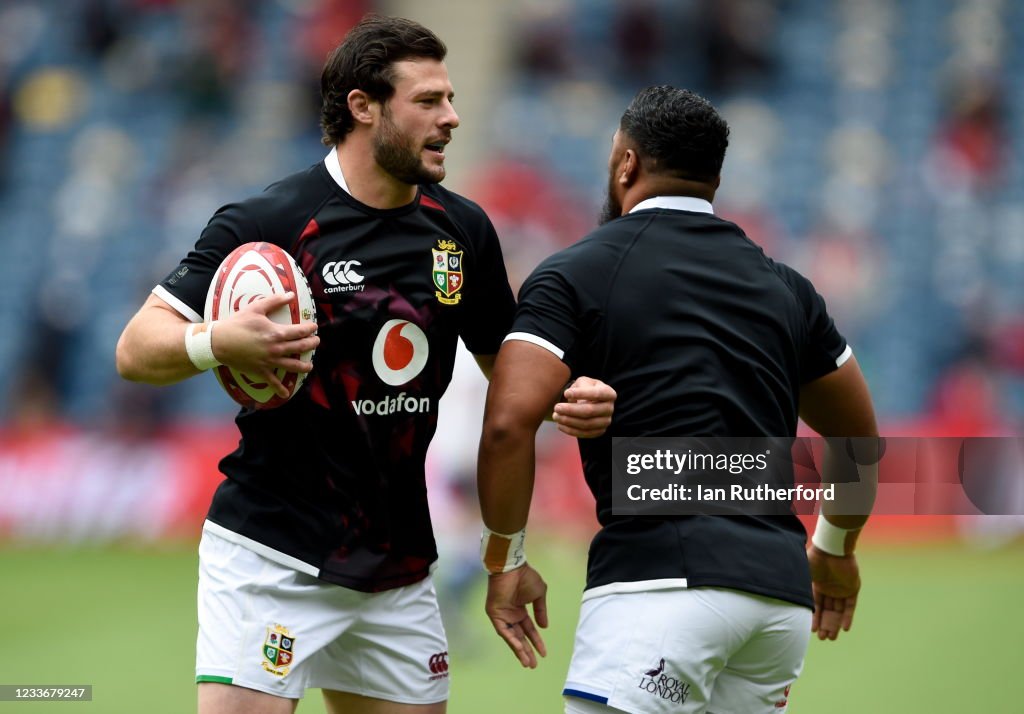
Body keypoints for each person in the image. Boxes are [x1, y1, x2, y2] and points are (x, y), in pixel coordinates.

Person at [115, 15, 615, 714]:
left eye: (451, 99)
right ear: (363, 107)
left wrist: (574, 391)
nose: (453, 117)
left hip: (398, 569)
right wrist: (217, 341)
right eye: (429, 101)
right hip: (271, 558)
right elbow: (136, 347)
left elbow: (511, 372)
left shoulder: (462, 231)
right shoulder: (273, 220)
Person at [475, 86, 879, 714]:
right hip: (777, 604)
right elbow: (859, 441)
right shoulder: (786, 288)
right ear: (713, 178)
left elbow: (506, 425)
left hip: (658, 590)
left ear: (627, 163)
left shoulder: (576, 272)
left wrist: (506, 559)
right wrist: (833, 548)